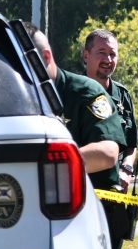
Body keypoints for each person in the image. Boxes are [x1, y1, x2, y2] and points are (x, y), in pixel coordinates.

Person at [25, 24, 125, 187]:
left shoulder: (86, 92)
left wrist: (49, 167)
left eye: (20, 66)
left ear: (45, 57)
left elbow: (108, 153)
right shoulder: (18, 97)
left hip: (95, 200)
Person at [83, 29, 138, 249]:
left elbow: (132, 145)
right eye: (101, 52)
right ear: (86, 55)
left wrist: (127, 169)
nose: (108, 59)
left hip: (115, 196)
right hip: (80, 193)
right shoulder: (70, 92)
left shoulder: (122, 95)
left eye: (112, 54)